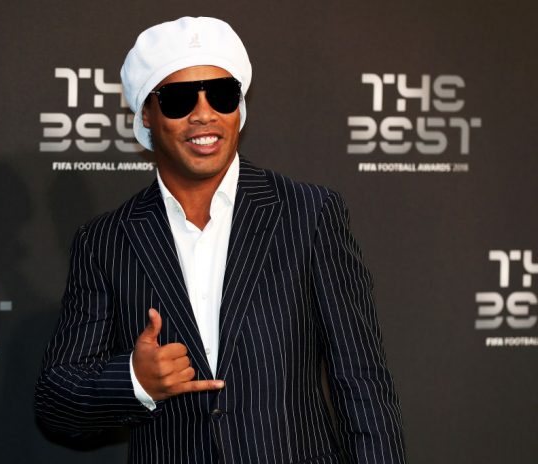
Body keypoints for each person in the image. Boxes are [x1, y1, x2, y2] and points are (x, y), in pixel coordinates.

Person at [35, 16, 406, 464]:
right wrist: (134, 381)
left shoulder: (309, 213)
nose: (204, 113)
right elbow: (56, 402)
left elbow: (363, 382)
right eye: (178, 99)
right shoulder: (105, 241)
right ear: (146, 115)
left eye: (222, 94)